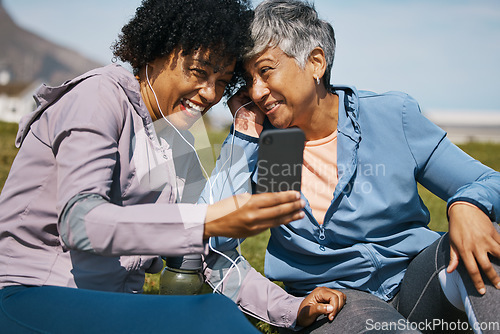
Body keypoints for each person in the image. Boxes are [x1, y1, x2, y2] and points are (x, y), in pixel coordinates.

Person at [0, 0, 347, 333]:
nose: (210, 93)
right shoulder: (99, 98)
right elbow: (80, 222)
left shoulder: (178, 146)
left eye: (223, 82)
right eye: (198, 72)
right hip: (27, 297)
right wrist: (206, 219)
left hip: (109, 309)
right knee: (208, 318)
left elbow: (207, 256)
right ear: (155, 52)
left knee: (214, 312)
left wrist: (291, 308)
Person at [203, 0, 500, 333]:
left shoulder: (389, 116)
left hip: (416, 283)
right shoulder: (274, 146)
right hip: (338, 303)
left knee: (490, 241)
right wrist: (244, 132)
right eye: (249, 78)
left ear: (316, 62)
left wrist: (468, 204)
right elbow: (212, 238)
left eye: (266, 71)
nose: (256, 91)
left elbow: (489, 180)